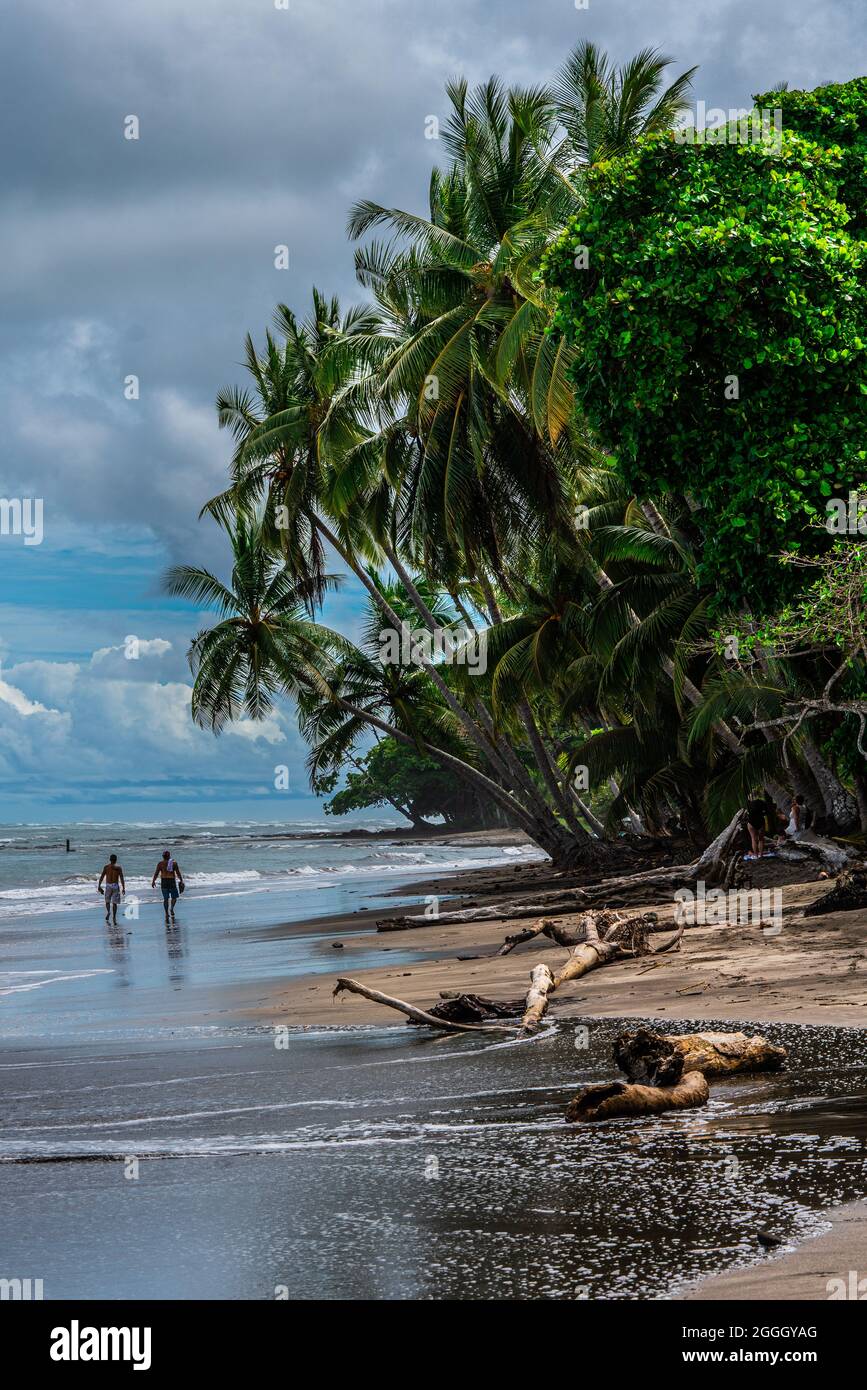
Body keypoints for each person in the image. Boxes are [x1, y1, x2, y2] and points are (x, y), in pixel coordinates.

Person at [151, 850, 185, 923]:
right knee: (174, 897)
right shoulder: (174, 863)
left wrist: (153, 881)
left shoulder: (160, 864)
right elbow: (178, 872)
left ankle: (166, 913)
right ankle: (171, 908)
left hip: (164, 881)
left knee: (166, 899)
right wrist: (181, 880)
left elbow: (156, 873)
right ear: (169, 856)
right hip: (171, 881)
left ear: (163, 856)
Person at [98, 853, 126, 924]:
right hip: (115, 886)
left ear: (110, 860)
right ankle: (114, 916)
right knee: (114, 903)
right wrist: (123, 888)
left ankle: (109, 912)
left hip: (108, 886)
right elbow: (121, 878)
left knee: (107, 901)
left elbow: (102, 876)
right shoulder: (118, 868)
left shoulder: (106, 867)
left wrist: (99, 885)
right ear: (116, 860)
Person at [745, 792, 770, 860]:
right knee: (761, 839)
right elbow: (767, 812)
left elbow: (747, 813)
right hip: (760, 821)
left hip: (751, 821)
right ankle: (761, 855)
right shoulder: (762, 802)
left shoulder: (749, 804)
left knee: (753, 838)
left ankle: (756, 855)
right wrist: (762, 814)